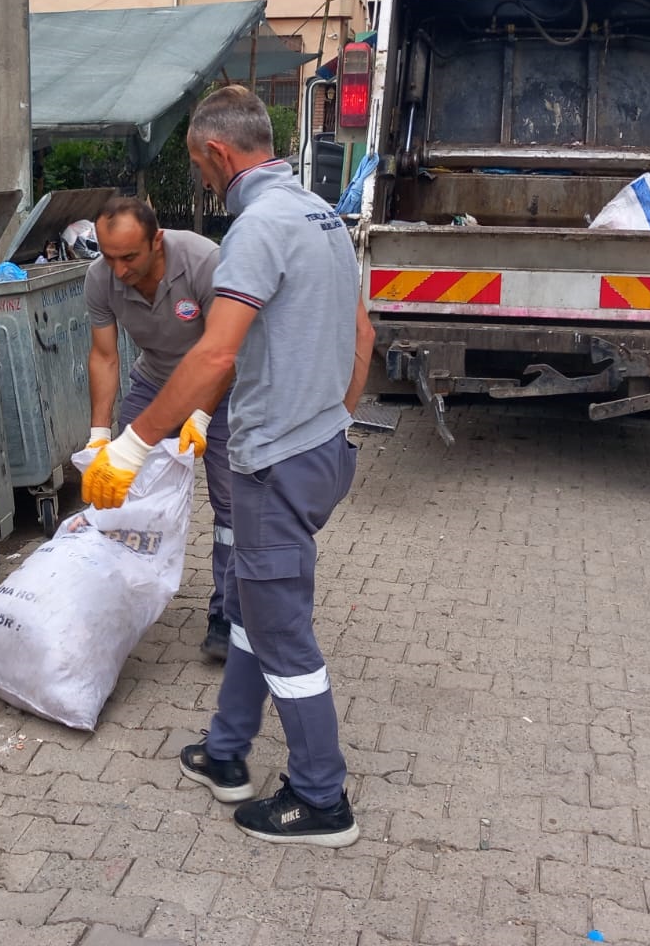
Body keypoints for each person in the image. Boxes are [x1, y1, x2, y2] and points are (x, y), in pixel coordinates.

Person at [82, 85, 375, 848]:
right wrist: (337, 423)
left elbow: (215, 353)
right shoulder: (324, 217)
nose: (203, 181)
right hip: (320, 449)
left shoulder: (255, 229)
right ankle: (225, 754)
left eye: (198, 166)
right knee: (248, 602)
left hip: (277, 461)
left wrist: (133, 441)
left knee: (282, 632)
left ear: (217, 153)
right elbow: (363, 339)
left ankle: (320, 799)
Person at [84, 196, 235, 660]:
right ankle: (117, 607)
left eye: (129, 256)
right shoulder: (101, 278)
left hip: (224, 389)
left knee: (234, 506)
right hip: (154, 386)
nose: (119, 269)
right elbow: (105, 357)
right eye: (109, 256)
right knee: (121, 493)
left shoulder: (203, 261)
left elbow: (223, 352)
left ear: (157, 241)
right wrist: (100, 435)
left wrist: (202, 415)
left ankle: (228, 617)